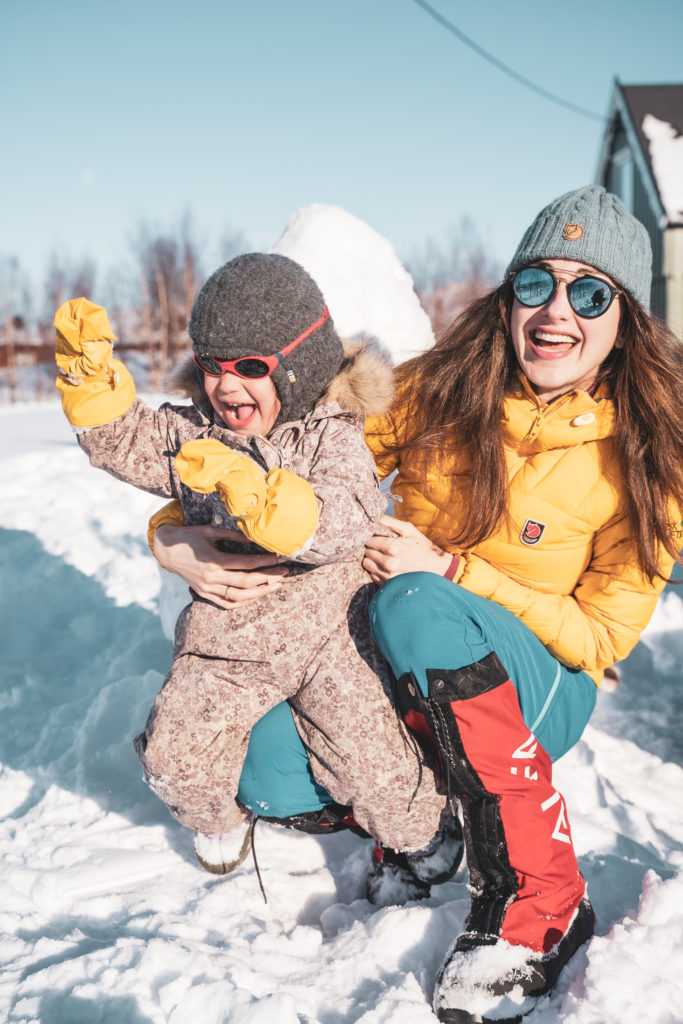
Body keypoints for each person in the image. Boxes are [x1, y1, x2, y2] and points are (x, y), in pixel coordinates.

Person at [153, 186, 682, 1023]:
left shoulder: (653, 445)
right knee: (257, 766)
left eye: (589, 292)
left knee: (410, 602)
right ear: (507, 296)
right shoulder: (438, 387)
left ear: (626, 316)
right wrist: (171, 532)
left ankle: (541, 902)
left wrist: (454, 570)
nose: (556, 313)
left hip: (537, 681)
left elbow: (600, 636)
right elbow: (300, 469)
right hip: (402, 668)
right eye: (535, 284)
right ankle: (429, 831)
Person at [53, 252, 455, 879]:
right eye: (212, 366)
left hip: (333, 632)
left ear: (297, 366)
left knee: (376, 766)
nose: (226, 385)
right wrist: (93, 390)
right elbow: (129, 442)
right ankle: (220, 821)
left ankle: (421, 837)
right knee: (174, 756)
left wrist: (263, 497)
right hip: (230, 634)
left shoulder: (333, 435)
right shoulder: (198, 433)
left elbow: (345, 520)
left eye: (250, 367)